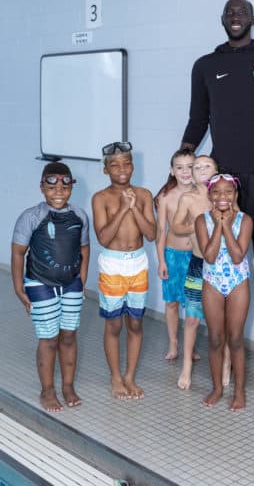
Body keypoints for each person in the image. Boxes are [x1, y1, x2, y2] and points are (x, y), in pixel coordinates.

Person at [181, 0, 254, 376]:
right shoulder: (205, 66)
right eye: (229, 13)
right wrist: (180, 161)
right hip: (223, 182)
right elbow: (197, 120)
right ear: (222, 19)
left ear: (252, 19)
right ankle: (220, 349)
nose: (235, 17)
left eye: (241, 12)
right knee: (217, 262)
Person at [11, 162, 90, 412]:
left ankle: (67, 386)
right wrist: (18, 288)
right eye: (51, 185)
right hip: (40, 283)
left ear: (71, 187)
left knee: (69, 335)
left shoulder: (79, 215)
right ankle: (47, 390)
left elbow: (84, 250)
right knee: (49, 339)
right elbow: (17, 254)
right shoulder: (31, 216)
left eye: (64, 185)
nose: (58, 191)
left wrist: (82, 281)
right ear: (42, 187)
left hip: (72, 285)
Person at [92, 141, 156, 399]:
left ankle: (129, 375)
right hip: (113, 263)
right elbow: (104, 238)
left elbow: (151, 234)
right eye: (115, 165)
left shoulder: (144, 195)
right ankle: (116, 377)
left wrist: (134, 207)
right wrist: (122, 209)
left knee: (137, 323)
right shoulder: (101, 198)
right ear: (106, 170)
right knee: (114, 324)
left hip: (138, 262)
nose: (122, 169)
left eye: (126, 163)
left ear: (133, 165)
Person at [196, 174, 253, 411]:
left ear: (236, 195)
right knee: (216, 338)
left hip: (238, 282)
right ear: (209, 196)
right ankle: (218, 387)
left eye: (228, 192)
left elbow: (238, 256)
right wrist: (218, 225)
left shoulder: (245, 220)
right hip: (212, 282)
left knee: (236, 339)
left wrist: (227, 226)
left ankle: (239, 391)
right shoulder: (201, 220)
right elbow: (209, 256)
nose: (222, 197)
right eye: (217, 192)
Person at [170, 155, 219, 389]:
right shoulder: (188, 199)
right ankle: (186, 366)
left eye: (206, 165)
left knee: (223, 321)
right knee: (191, 318)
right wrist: (199, 224)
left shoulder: (224, 193)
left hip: (222, 266)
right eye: (196, 166)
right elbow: (176, 226)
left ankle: (225, 363)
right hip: (198, 264)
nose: (200, 169)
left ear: (216, 170)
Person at [155, 148, 195, 360]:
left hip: (195, 257)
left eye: (190, 167)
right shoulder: (166, 197)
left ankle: (191, 344)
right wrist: (161, 260)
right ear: (172, 171)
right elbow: (161, 232)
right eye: (180, 168)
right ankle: (173, 344)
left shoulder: (203, 194)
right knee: (172, 302)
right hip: (173, 255)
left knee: (193, 304)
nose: (185, 172)